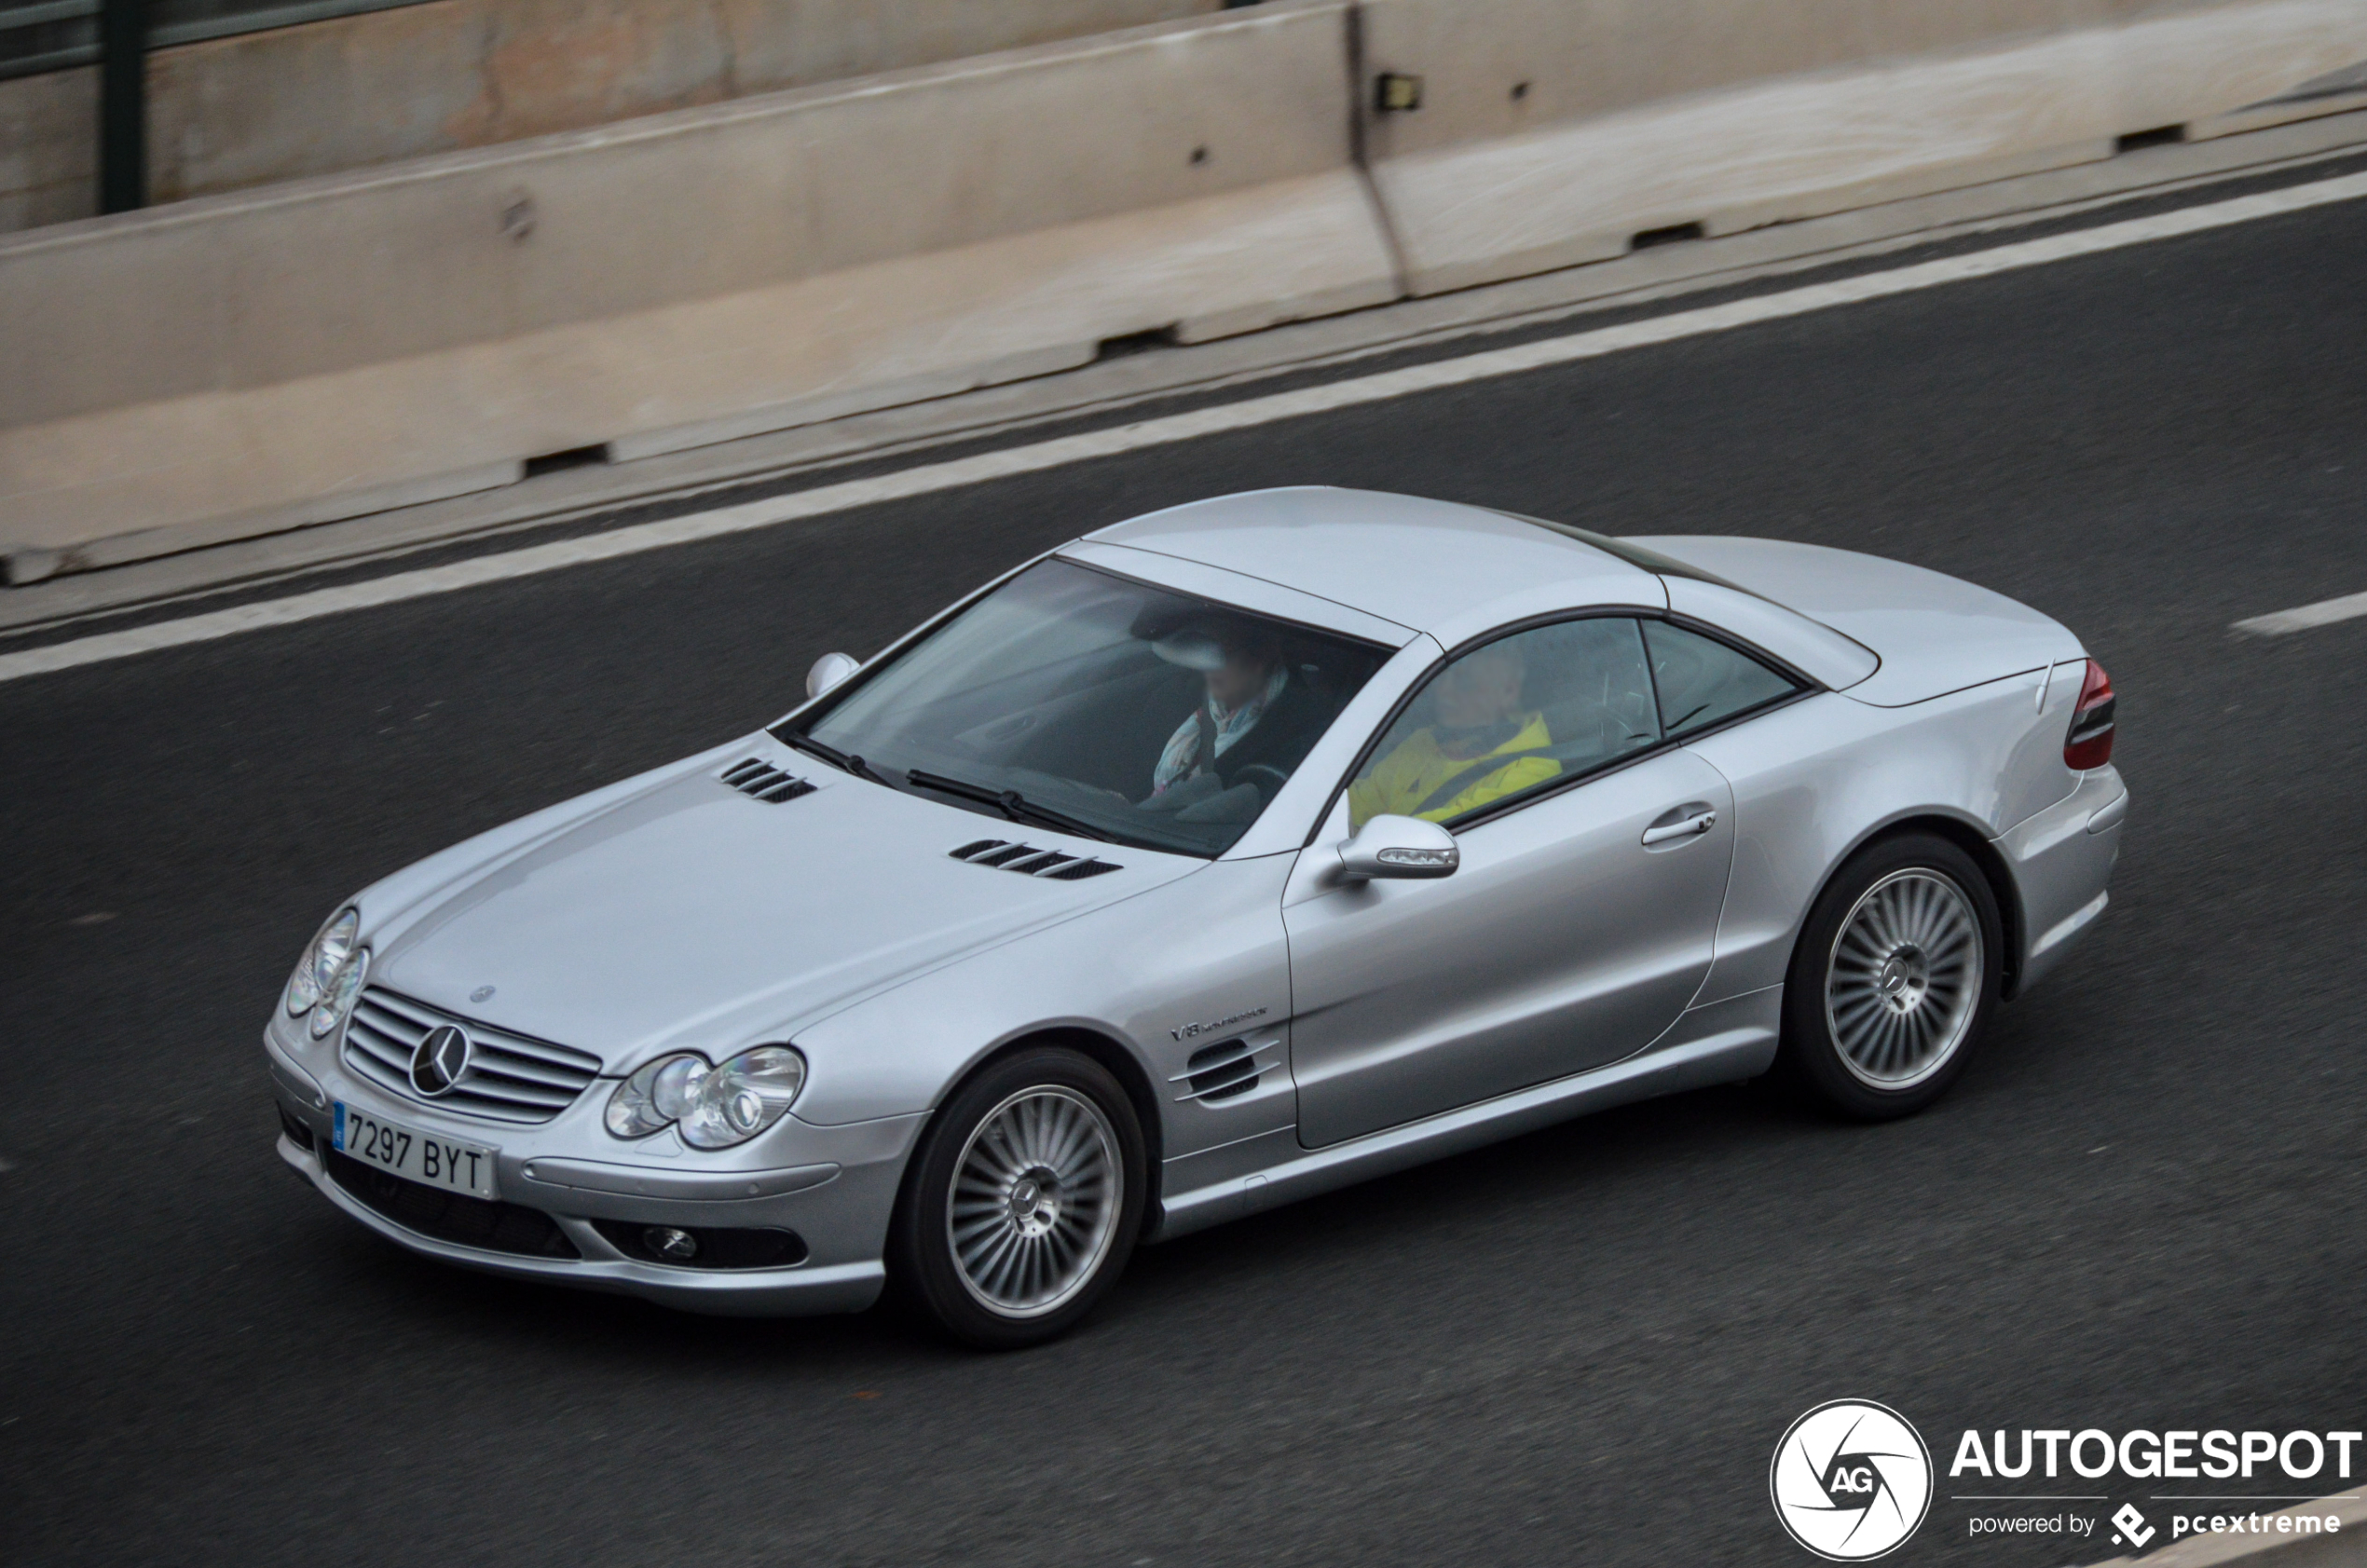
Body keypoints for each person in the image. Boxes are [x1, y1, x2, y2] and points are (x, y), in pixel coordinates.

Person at [1348, 639, 1558, 827]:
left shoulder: (1532, 771)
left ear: (1508, 692)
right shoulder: (1427, 739)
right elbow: (1357, 804)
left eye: (1464, 683)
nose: (1444, 692)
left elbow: (1432, 833)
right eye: (1442, 678)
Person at [1146, 620, 1331, 803]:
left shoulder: (1299, 732)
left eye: (1221, 655)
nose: (1208, 668)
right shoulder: (1186, 704)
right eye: (1203, 652)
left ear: (1259, 660)